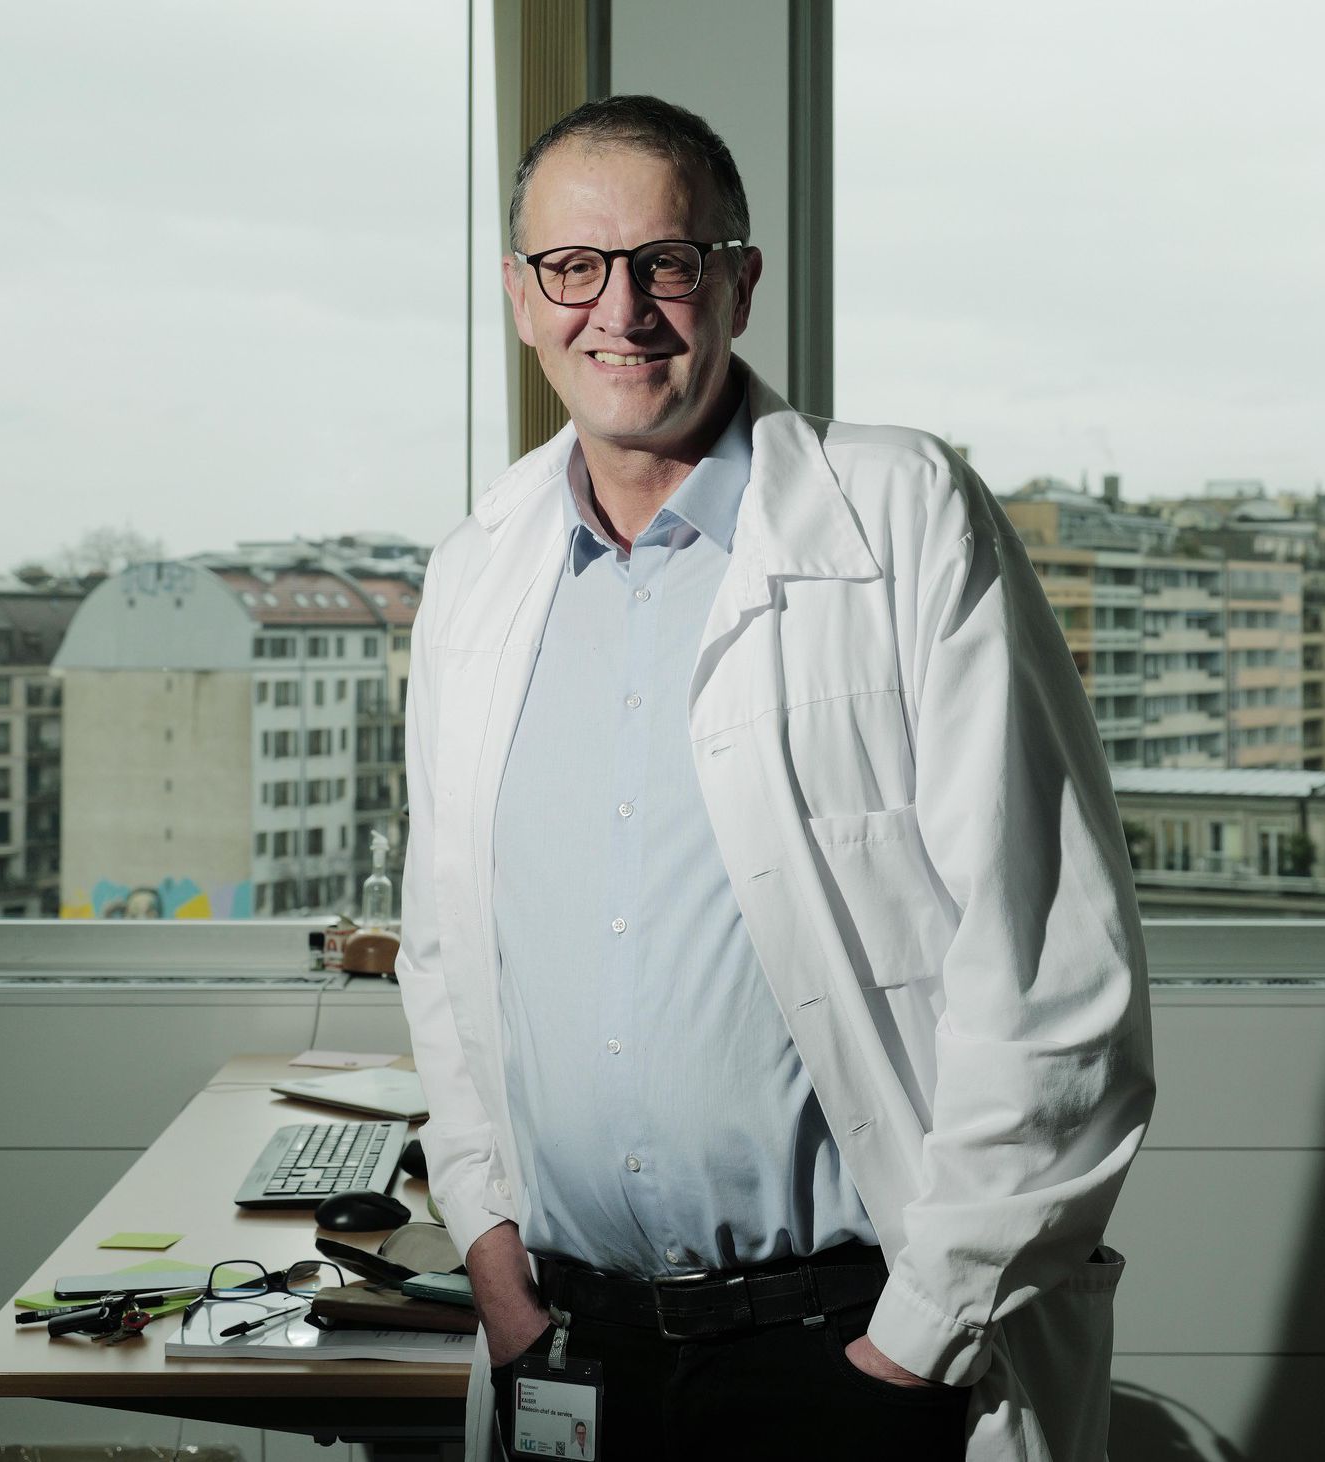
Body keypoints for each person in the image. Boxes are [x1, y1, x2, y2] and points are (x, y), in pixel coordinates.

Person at [396, 93, 1154, 1462]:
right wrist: (490, 1250)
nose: (618, 312)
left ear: (738, 283)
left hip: (850, 1351)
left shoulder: (904, 516)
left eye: (666, 264)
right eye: (573, 268)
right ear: (521, 298)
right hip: (573, 1345)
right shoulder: (475, 569)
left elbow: (1054, 977)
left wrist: (909, 1346)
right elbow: (449, 960)